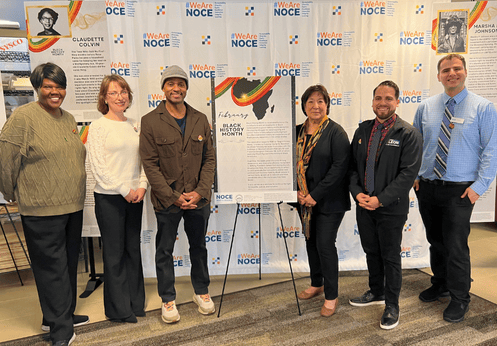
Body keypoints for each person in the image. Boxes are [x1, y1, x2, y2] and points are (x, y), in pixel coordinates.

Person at [0, 63, 88, 346]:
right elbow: (6, 158)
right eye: (47, 86)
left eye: (59, 86)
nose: (54, 92)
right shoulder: (23, 118)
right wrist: (9, 190)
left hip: (72, 205)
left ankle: (60, 314)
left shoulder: (68, 117)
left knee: (68, 264)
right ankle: (60, 330)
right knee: (51, 268)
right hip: (41, 207)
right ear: (38, 88)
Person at [413, 54, 497, 323]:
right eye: (446, 70)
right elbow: (416, 144)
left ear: (465, 72)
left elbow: (491, 150)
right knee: (435, 241)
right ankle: (441, 284)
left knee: (456, 246)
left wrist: (479, 187)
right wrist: (415, 176)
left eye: (456, 69)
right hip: (427, 187)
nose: (452, 73)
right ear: (438, 76)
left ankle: (461, 297)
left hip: (460, 191)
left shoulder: (483, 108)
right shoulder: (426, 107)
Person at [139, 65, 216, 323]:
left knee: (199, 247)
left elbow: (209, 159)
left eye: (181, 84)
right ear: (163, 88)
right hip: (166, 200)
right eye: (170, 84)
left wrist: (200, 191)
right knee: (164, 250)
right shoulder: (150, 121)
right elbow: (149, 165)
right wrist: (173, 196)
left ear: (186, 88)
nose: (176, 88)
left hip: (198, 200)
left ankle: (201, 292)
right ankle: (167, 299)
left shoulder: (200, 118)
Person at [349, 80, 422, 329]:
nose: (383, 103)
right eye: (378, 98)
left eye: (388, 98)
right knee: (371, 251)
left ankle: (392, 304)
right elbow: (352, 169)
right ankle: (376, 291)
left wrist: (380, 199)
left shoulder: (409, 134)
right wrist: (357, 194)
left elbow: (407, 176)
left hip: (391, 207)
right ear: (372, 102)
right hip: (364, 205)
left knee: (390, 256)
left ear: (397, 102)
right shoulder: (362, 131)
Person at [86, 75, 148, 323]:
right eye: (113, 93)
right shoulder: (98, 127)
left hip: (136, 197)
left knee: (133, 249)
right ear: (104, 98)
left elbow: (145, 159)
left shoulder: (135, 125)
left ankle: (136, 303)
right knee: (114, 253)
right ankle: (118, 309)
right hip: (110, 198)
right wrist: (124, 189)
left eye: (123, 92)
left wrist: (142, 185)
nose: (120, 97)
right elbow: (98, 166)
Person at [294, 84, 350, 317]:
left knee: (325, 245)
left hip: (329, 201)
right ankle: (317, 283)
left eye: (320, 101)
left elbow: (340, 169)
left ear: (327, 104)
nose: (316, 106)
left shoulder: (336, 132)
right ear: (303, 105)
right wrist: (295, 192)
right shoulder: (296, 131)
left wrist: (314, 195)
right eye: (311, 101)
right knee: (310, 242)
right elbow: (287, 164)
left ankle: (332, 295)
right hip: (302, 199)